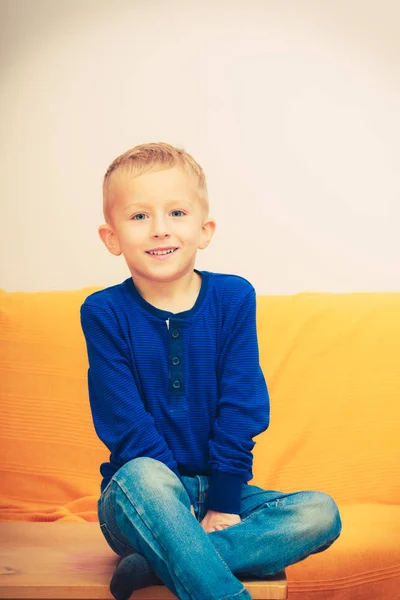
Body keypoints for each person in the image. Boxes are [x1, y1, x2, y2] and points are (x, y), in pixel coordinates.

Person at [80, 142, 342, 600]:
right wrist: (179, 509)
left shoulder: (233, 299)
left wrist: (223, 502)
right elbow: (123, 425)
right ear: (112, 238)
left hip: (219, 491)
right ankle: (214, 582)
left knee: (320, 513)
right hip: (142, 502)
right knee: (143, 472)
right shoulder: (103, 312)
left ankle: (162, 565)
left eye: (177, 213)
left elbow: (242, 405)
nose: (160, 230)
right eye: (140, 216)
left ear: (205, 230)